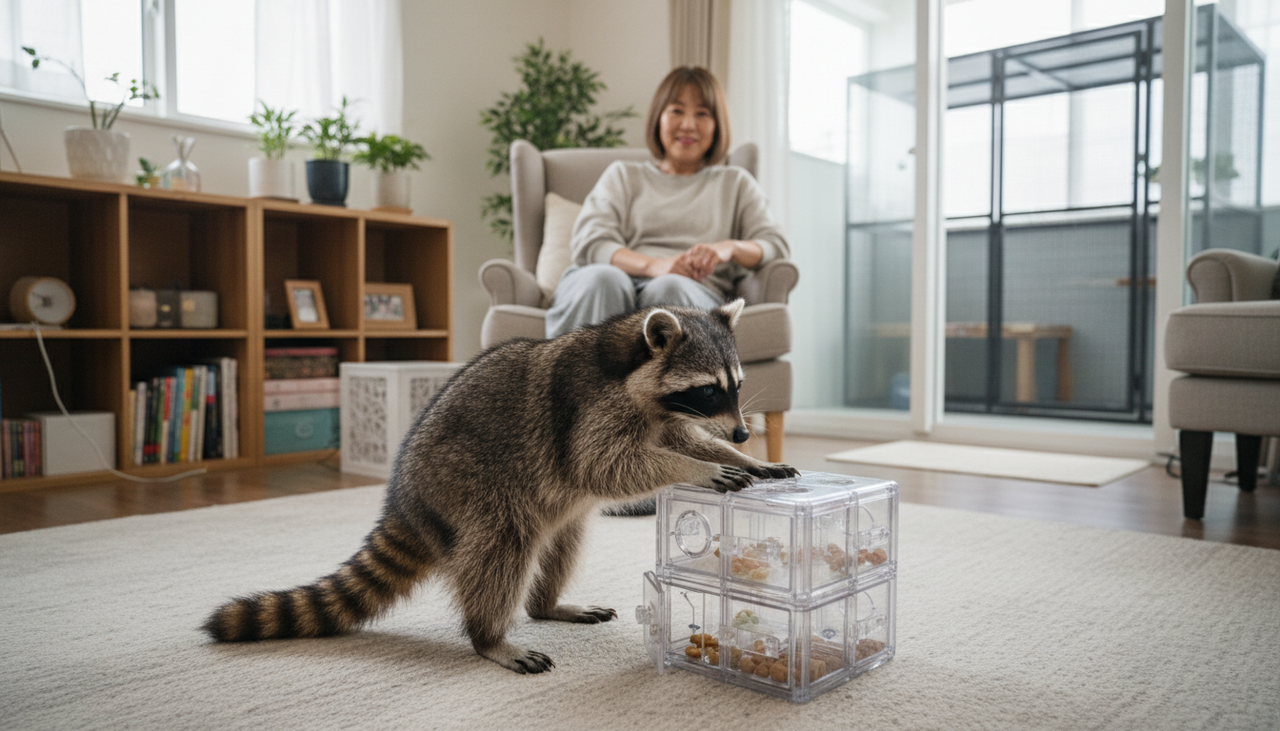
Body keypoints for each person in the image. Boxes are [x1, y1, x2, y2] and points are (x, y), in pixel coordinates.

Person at [544, 65, 790, 339]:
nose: (688, 124)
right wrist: (654, 266)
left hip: (688, 291)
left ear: (717, 124)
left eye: (702, 114)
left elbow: (775, 245)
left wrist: (728, 248)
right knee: (604, 279)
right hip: (612, 281)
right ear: (658, 118)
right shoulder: (624, 175)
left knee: (669, 290)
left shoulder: (735, 183)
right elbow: (590, 243)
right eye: (677, 110)